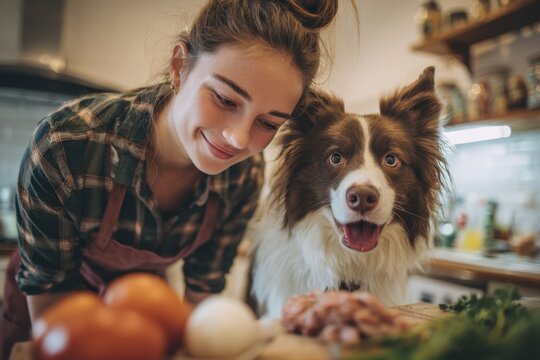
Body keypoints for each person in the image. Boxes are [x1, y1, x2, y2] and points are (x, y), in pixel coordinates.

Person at [0, 0, 341, 357]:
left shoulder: (241, 178)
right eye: (225, 99)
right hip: (47, 310)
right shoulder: (66, 145)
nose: (239, 139)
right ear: (179, 66)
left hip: (145, 309)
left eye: (268, 123)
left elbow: (201, 304)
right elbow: (58, 330)